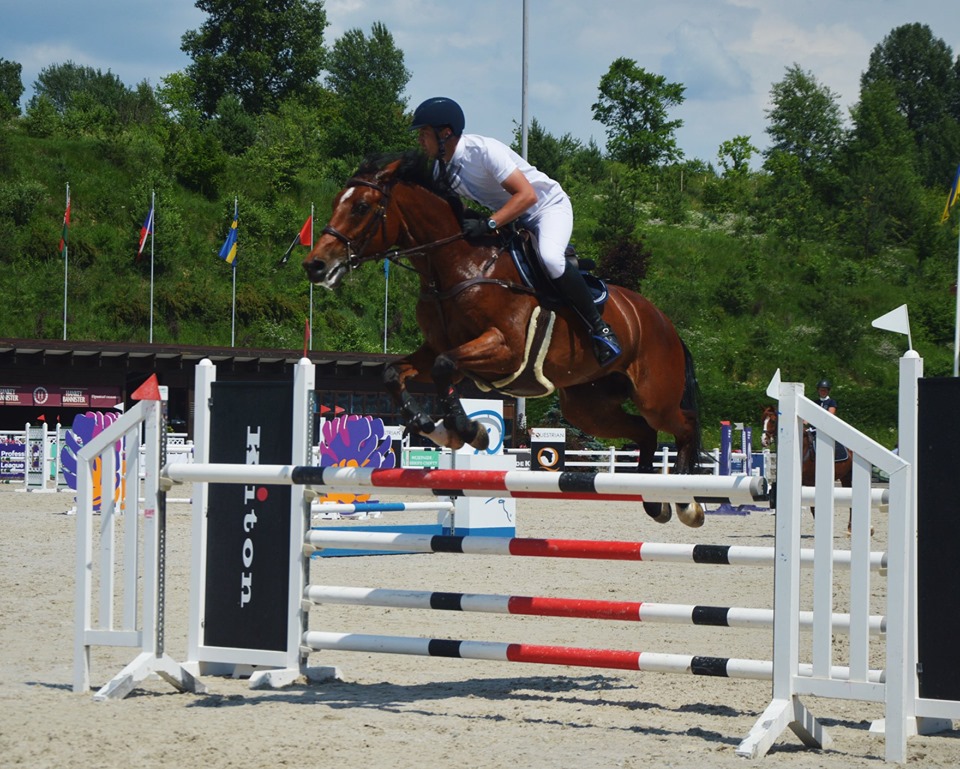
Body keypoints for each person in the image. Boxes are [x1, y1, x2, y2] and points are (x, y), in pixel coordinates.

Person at [410, 96, 622, 365]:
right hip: (514, 221)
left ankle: (599, 328)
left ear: (446, 133)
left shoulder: (484, 150)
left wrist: (488, 223)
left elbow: (527, 196)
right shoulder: (442, 168)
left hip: (547, 209)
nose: (420, 140)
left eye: (424, 133)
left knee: (549, 258)